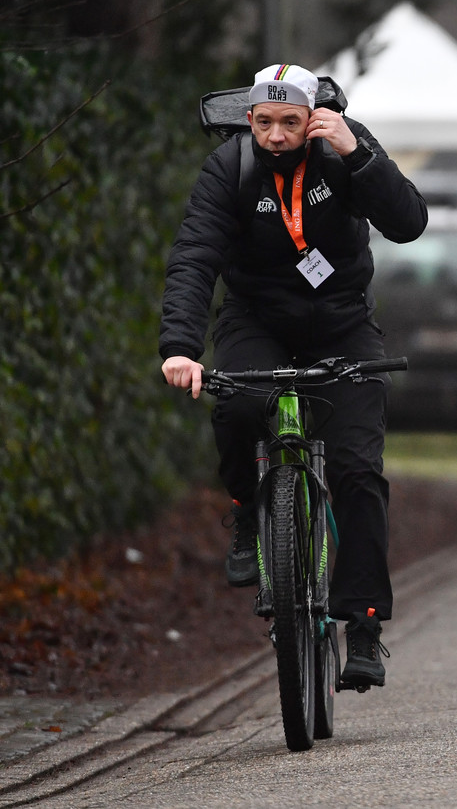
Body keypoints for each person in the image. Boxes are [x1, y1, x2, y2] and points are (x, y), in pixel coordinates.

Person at [159, 63, 428, 689]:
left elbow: (409, 222)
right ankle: (249, 512)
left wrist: (358, 156)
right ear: (248, 121)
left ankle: (361, 625)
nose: (276, 136)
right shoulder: (231, 169)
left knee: (358, 471)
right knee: (234, 407)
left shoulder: (343, 150)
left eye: (290, 122)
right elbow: (195, 257)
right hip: (257, 321)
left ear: (313, 118)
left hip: (342, 325)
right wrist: (180, 347)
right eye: (263, 123)